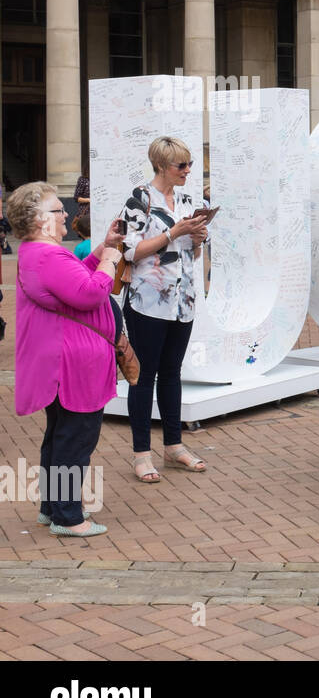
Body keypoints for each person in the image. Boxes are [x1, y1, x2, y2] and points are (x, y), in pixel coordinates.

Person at [9, 181, 123, 536]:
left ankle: (52, 508)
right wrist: (108, 262)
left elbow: (71, 282)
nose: (65, 215)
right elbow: (89, 293)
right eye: (58, 210)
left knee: (60, 435)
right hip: (71, 365)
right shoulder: (48, 255)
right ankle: (68, 518)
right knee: (75, 439)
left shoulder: (36, 253)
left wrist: (99, 251)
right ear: (40, 219)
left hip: (61, 361)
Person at [120, 137, 211, 483]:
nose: (188, 171)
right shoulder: (140, 198)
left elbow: (196, 254)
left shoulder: (190, 199)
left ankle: (174, 446)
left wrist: (198, 238)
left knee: (173, 372)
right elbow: (130, 252)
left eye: (189, 165)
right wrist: (174, 232)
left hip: (183, 299)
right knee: (143, 376)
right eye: (181, 166)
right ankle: (141, 454)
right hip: (147, 301)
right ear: (161, 166)